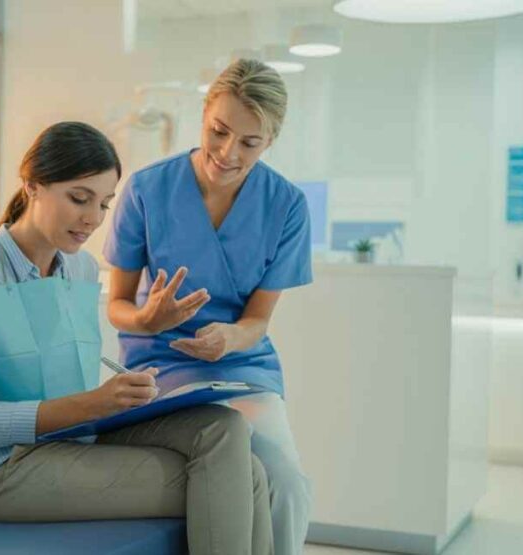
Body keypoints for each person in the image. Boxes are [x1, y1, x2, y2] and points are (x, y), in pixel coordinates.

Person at [0, 121, 274, 555]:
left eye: (105, 204)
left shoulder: (81, 269)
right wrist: (94, 403)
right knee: (237, 478)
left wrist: (125, 395)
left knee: (225, 428)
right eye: (79, 198)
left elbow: (67, 376)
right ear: (32, 185)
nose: (93, 218)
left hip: (71, 438)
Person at [104, 59, 313, 555]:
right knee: (231, 471)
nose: (227, 152)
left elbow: (258, 321)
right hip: (161, 367)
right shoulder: (146, 190)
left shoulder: (286, 205)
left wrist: (227, 338)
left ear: (271, 140)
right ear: (203, 115)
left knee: (283, 480)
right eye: (218, 131)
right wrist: (146, 318)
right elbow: (116, 304)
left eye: (249, 143)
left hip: (242, 367)